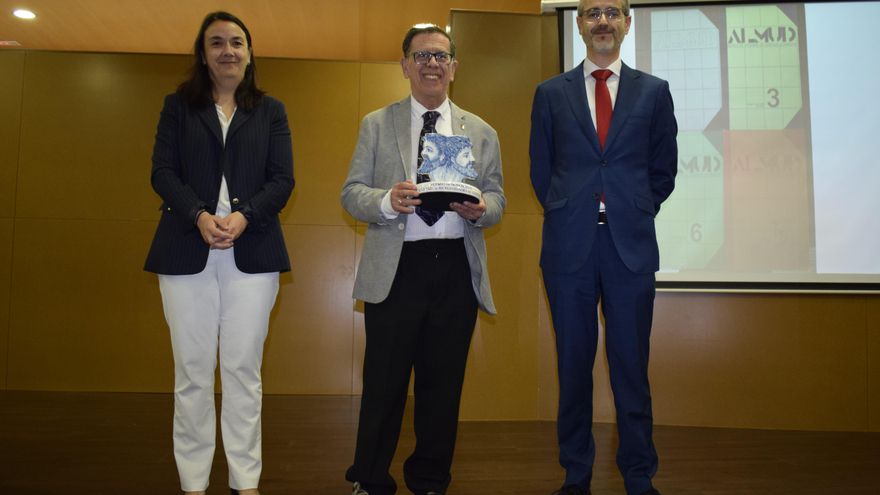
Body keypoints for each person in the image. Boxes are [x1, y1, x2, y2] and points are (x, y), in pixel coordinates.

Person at [340, 24, 505, 495]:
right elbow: (351, 193)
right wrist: (386, 200)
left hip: (455, 268)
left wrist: (482, 210)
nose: (432, 64)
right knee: (383, 384)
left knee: (443, 386)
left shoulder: (482, 131)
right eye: (421, 56)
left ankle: (430, 480)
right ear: (405, 66)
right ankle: (370, 479)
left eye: (440, 56)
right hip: (398, 268)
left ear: (454, 67)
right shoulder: (376, 123)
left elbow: (497, 198)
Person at [529, 1, 678, 494]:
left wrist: (634, 207)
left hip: (629, 248)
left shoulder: (654, 92)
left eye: (613, 12)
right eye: (593, 12)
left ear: (627, 24)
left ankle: (638, 476)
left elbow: (664, 170)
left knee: (631, 367)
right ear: (579, 24)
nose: (603, 21)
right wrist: (569, 207)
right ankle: (576, 476)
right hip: (568, 247)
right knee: (572, 368)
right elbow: (541, 168)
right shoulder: (550, 93)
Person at [143, 11, 294, 495]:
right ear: (203, 54)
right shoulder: (177, 107)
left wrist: (245, 215)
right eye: (216, 42)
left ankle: (245, 480)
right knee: (192, 371)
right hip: (185, 249)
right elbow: (162, 172)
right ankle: (193, 481)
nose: (227, 50)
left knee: (242, 371)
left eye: (236, 42)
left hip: (253, 252)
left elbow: (282, 179)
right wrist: (198, 215)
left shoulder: (271, 111)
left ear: (249, 53)